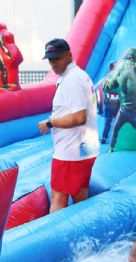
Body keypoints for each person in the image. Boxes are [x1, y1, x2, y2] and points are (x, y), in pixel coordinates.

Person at [38, 38, 100, 213]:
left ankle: (53, 239)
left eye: (56, 58)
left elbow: (79, 117)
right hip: (83, 149)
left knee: (58, 197)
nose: (53, 64)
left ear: (69, 55)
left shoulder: (72, 80)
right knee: (80, 195)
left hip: (70, 152)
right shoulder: (79, 75)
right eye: (50, 60)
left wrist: (50, 123)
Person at [96, 61, 120, 144]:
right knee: (110, 122)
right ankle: (107, 138)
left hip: (112, 104)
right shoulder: (107, 80)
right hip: (111, 104)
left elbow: (97, 87)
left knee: (110, 123)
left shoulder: (107, 79)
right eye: (114, 68)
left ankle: (107, 138)